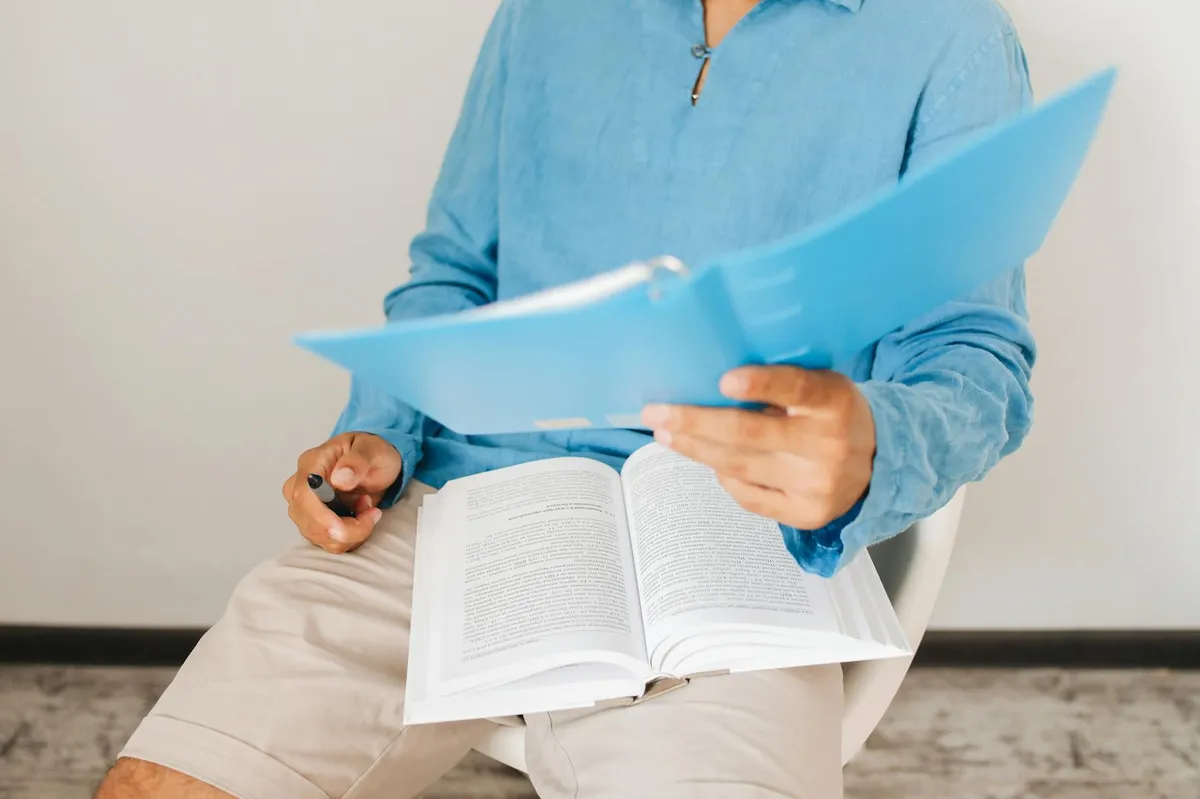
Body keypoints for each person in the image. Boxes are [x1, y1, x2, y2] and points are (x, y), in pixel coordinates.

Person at [97, 0, 1036, 796]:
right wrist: (381, 429)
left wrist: (869, 445)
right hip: (462, 509)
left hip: (745, 537)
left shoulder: (952, 38)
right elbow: (454, 272)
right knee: (163, 782)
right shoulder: (543, 12)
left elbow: (975, 356)